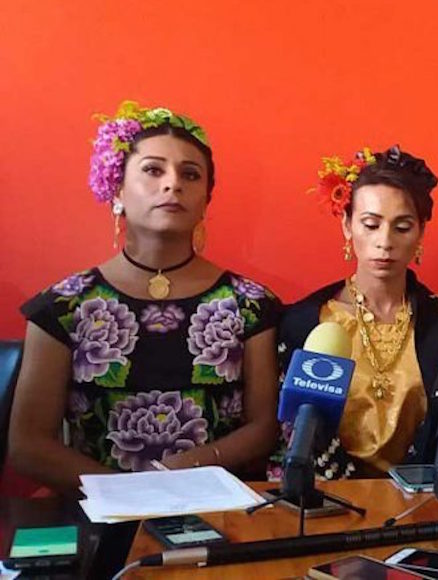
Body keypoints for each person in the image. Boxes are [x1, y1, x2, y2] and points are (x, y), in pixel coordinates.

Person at [10, 101, 281, 494]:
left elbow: (264, 428)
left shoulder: (250, 305)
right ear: (118, 190)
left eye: (190, 174)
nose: (173, 184)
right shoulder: (63, 307)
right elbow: (28, 446)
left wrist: (186, 470)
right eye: (153, 170)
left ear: (206, 201)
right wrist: (127, 494)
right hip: (98, 509)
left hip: (216, 509)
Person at [275, 145, 438, 479]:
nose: (385, 241)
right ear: (347, 225)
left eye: (402, 227)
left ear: (421, 232)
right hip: (328, 497)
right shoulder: (306, 323)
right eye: (370, 224)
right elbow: (296, 430)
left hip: (419, 496)